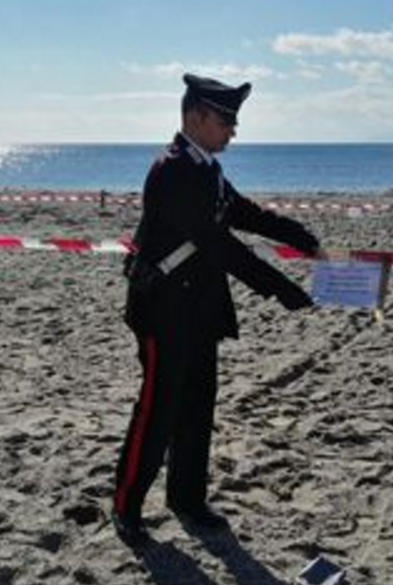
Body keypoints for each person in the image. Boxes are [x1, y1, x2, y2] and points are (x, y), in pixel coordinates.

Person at [112, 73, 321, 547]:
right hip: (163, 310)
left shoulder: (205, 167)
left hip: (199, 309)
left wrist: (300, 237)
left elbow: (241, 212)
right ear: (196, 117)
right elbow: (219, 245)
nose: (233, 131)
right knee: (157, 410)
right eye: (225, 121)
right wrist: (282, 289)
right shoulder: (172, 170)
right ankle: (127, 505)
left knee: (197, 406)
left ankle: (187, 499)